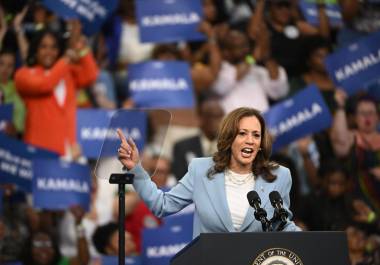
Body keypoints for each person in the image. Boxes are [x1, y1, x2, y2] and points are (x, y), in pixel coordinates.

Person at [116, 107, 300, 238]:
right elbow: (162, 205)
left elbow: (282, 225)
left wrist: (314, 245)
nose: (250, 140)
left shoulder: (279, 176)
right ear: (229, 138)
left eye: (256, 135)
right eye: (242, 133)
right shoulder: (201, 170)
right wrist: (136, 168)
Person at [14, 21, 98, 155]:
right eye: (43, 47)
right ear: (35, 50)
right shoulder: (23, 74)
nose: (49, 52)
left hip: (67, 151)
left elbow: (91, 75)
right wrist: (66, 59)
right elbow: (45, 85)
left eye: (54, 47)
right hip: (37, 152)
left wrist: (80, 47)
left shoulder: (66, 72)